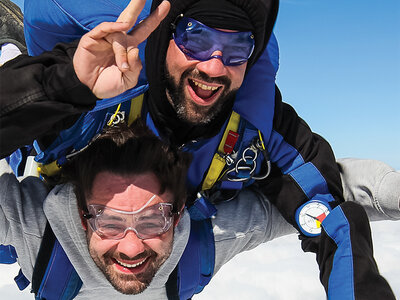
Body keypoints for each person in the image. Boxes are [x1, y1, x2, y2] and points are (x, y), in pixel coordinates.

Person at [0, 3, 397, 298]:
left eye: (238, 47)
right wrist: (63, 81)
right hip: (63, 142)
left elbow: (328, 207)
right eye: (196, 37)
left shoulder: (258, 126)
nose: (213, 65)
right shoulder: (101, 91)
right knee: (25, 127)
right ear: (165, 37)